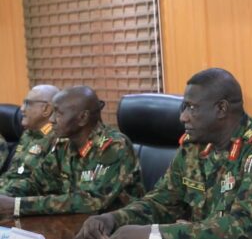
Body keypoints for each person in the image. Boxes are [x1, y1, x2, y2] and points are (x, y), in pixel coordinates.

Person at [75, 68, 252, 239]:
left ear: (221, 109)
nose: (182, 117)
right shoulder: (194, 145)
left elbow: (241, 228)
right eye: (183, 107)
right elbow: (162, 202)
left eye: (191, 107)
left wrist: (157, 236)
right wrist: (113, 218)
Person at [0, 85, 144, 216]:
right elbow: (36, 183)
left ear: (83, 118)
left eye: (58, 114)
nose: (51, 120)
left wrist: (18, 205)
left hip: (114, 228)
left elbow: (91, 201)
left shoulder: (113, 146)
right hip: (71, 223)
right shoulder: (63, 144)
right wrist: (6, 195)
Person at [0, 84, 59, 188]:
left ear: (46, 109)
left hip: (22, 194)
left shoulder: (57, 140)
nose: (22, 109)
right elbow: (13, 173)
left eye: (28, 103)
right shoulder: (27, 134)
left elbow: (41, 185)